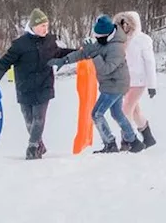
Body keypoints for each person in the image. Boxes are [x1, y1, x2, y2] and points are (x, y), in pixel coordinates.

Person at [0, 9, 75, 160]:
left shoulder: (49, 41)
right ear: (32, 27)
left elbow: (59, 53)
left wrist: (79, 53)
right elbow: (4, 63)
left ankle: (32, 147)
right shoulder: (20, 45)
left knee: (39, 119)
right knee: (29, 121)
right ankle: (40, 145)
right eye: (42, 26)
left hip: (44, 86)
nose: (45, 29)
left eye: (46, 25)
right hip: (25, 87)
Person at [51, 14, 143, 154]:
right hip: (112, 84)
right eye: (96, 36)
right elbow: (84, 53)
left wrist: (94, 56)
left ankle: (110, 143)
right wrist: (64, 60)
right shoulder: (103, 42)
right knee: (117, 114)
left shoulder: (117, 48)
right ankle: (134, 142)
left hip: (115, 85)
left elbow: (106, 69)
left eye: (100, 37)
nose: (97, 39)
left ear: (108, 34)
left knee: (96, 114)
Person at [114, 11, 158, 149]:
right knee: (135, 111)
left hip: (139, 81)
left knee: (125, 110)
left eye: (126, 24)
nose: (124, 27)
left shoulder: (142, 40)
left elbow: (150, 63)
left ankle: (127, 141)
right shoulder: (120, 40)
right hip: (125, 81)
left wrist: (152, 85)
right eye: (121, 24)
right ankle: (148, 137)